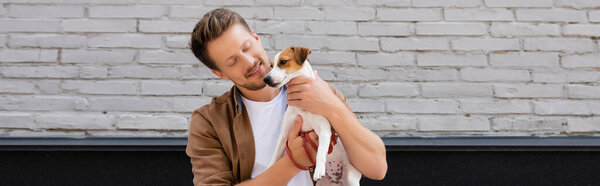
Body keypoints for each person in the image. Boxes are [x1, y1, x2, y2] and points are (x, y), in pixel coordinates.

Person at [186, 8, 387, 186]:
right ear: (220, 73)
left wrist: (333, 107)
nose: (249, 62)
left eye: (247, 47)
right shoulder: (209, 122)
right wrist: (293, 162)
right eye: (232, 62)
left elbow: (377, 169)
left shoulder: (320, 92)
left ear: (256, 38)